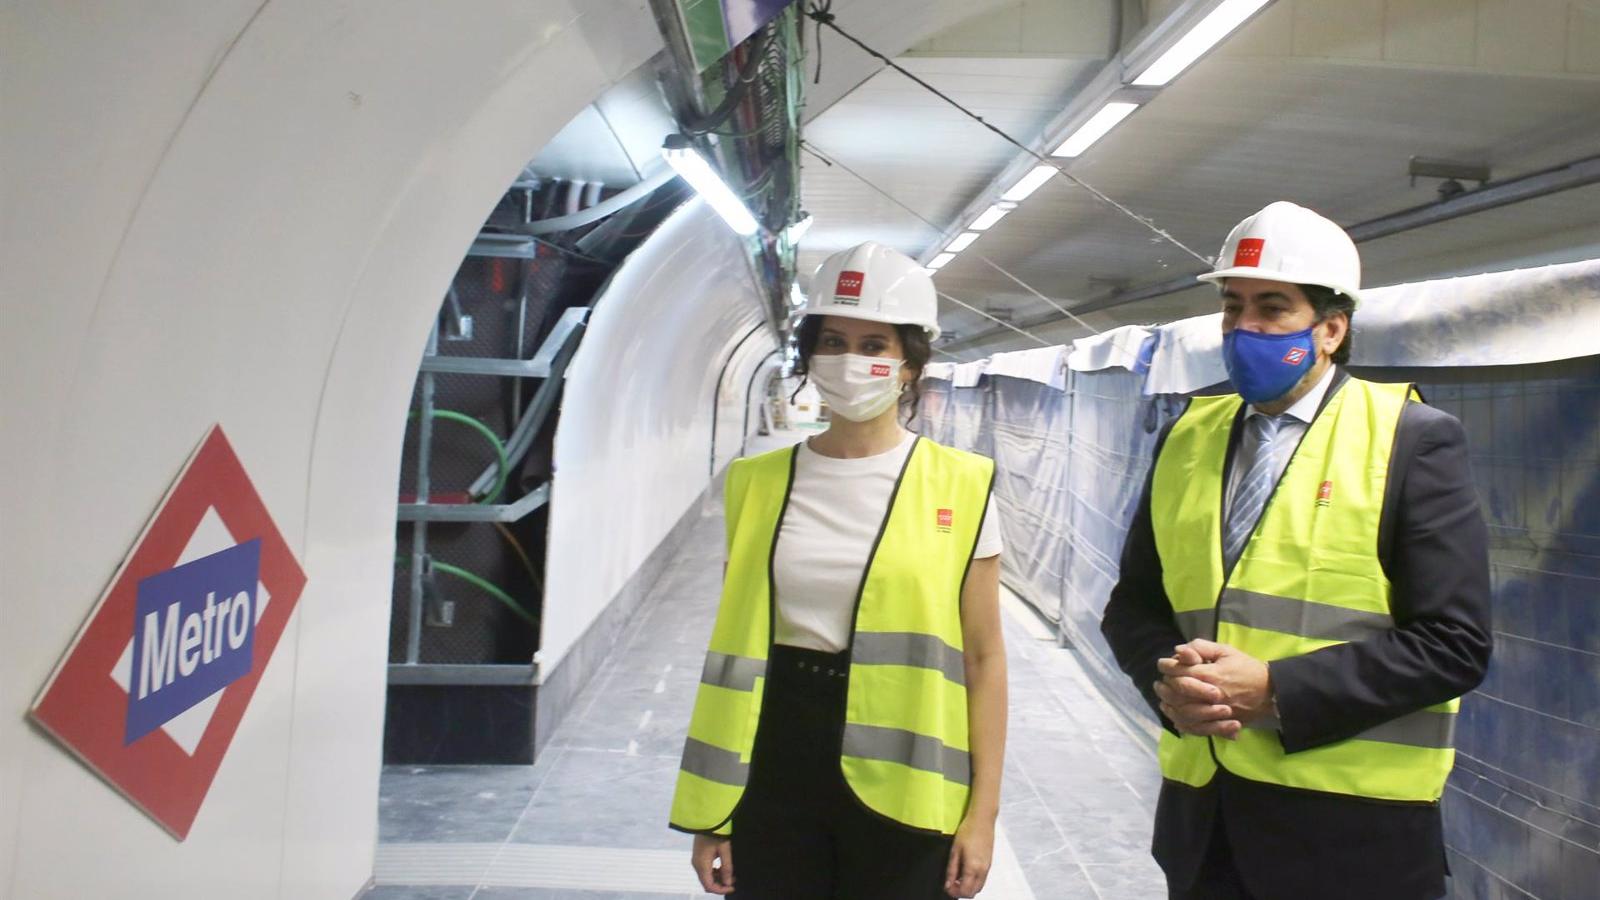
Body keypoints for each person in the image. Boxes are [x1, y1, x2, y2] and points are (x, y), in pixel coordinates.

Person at [1100, 201, 1493, 900]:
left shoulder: (1410, 439)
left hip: (1353, 839)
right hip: (1205, 826)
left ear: (1330, 330)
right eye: (1232, 307)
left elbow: (1454, 643)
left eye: (1272, 309)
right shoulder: (1186, 436)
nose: (1244, 329)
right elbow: (1134, 604)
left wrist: (1277, 690)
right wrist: (1170, 687)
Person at [670, 241, 1008, 900]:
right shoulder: (755, 483)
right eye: (833, 340)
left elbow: (984, 659)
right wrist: (716, 813)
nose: (852, 360)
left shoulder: (961, 486)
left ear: (909, 363)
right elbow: (739, 649)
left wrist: (982, 816)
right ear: (808, 354)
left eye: (874, 343)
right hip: (775, 760)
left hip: (909, 774)